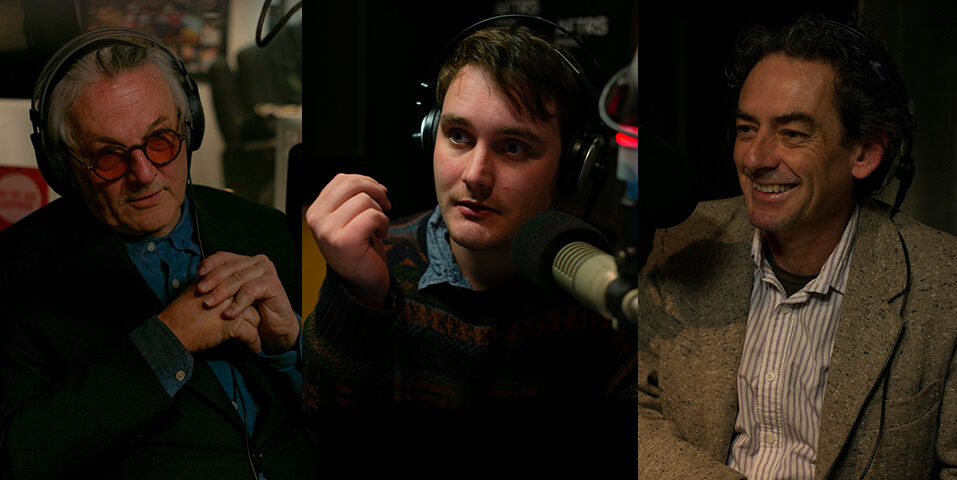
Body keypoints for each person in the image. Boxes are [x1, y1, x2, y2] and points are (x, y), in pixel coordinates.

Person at [303, 22, 637, 475]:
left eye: (514, 147)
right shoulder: (378, 262)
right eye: (458, 136)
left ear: (573, 165)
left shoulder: (608, 279)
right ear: (429, 136)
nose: (476, 175)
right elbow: (310, 441)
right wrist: (358, 299)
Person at [636, 14, 956, 479]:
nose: (755, 158)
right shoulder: (683, 241)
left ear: (865, 153)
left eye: (792, 134)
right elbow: (640, 406)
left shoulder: (943, 284)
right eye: (747, 128)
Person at [0, 28, 317, 479]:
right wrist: (168, 342)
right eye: (109, 157)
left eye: (162, 140)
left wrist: (292, 348)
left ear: (191, 127)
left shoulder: (263, 227)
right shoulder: (15, 271)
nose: (145, 174)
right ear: (61, 165)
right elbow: (17, 455)